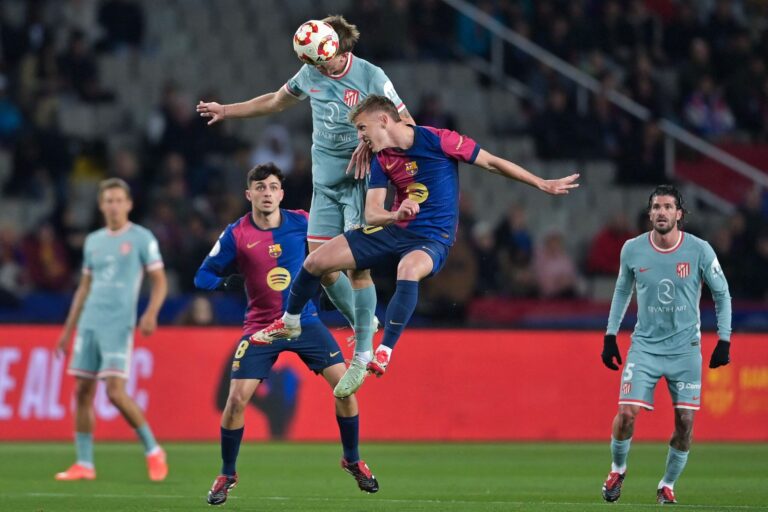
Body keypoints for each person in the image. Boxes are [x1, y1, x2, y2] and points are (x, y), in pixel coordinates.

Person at [251, 95, 579, 384]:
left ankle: (384, 350)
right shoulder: (382, 158)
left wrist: (541, 183)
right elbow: (372, 212)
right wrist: (396, 215)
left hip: (432, 237)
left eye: (363, 128)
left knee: (408, 269)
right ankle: (290, 321)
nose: (361, 137)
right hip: (395, 229)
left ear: (383, 120)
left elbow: (491, 163)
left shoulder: (438, 140)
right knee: (316, 260)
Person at [197, 15, 415, 398]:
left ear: (338, 48)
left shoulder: (370, 76)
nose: (321, 69)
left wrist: (373, 145)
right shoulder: (311, 72)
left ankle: (363, 353)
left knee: (356, 266)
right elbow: (275, 101)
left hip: (360, 184)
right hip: (325, 186)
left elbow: (407, 124)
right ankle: (362, 324)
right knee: (320, 266)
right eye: (315, 64)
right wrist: (227, 110)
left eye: (324, 61)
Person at [194, 163, 378, 506]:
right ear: (249, 194)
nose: (267, 193)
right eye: (260, 188)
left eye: (273, 187)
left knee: (346, 389)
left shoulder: (303, 222)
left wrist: (335, 282)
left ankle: (352, 459)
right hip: (261, 327)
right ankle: (227, 473)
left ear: (281, 193)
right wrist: (226, 282)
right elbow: (202, 276)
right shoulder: (236, 234)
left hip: (305, 322)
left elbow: (333, 251)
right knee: (235, 401)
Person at [600, 184, 732, 505]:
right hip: (645, 347)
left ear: (679, 214)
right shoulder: (632, 249)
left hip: (685, 350)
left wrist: (724, 339)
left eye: (668, 207)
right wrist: (610, 336)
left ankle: (667, 484)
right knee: (626, 413)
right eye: (656, 207)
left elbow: (722, 293)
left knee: (685, 423)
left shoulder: (700, 250)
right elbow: (622, 291)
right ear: (650, 214)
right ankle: (618, 470)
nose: (662, 212)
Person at [53, 178, 168, 481]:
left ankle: (153, 450)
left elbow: (159, 280)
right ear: (101, 205)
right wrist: (67, 331)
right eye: (109, 201)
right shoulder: (93, 241)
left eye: (119, 200)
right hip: (89, 322)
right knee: (82, 391)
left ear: (128, 204)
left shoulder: (141, 238)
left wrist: (151, 312)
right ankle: (84, 463)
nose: (114, 206)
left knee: (115, 392)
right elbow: (84, 288)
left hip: (118, 324)